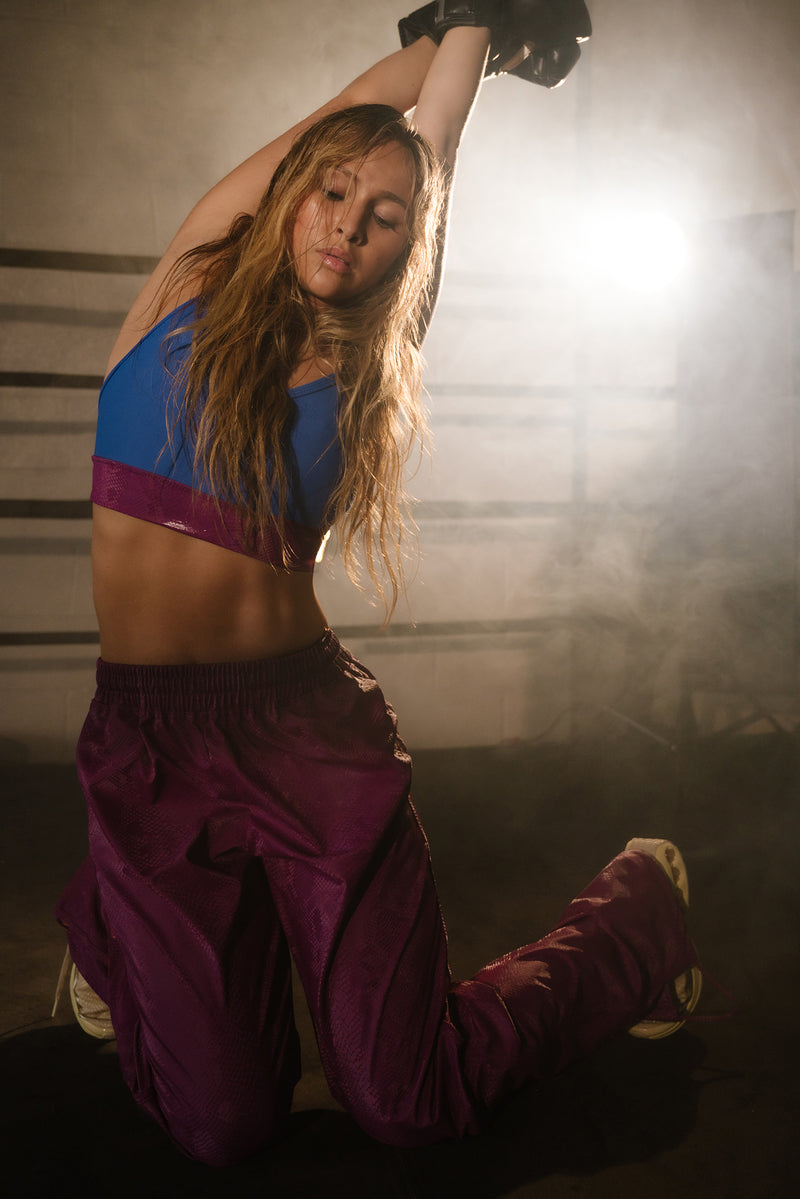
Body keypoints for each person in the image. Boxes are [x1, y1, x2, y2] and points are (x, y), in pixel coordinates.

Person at [53, 0, 701, 1169]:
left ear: (410, 243)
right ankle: (112, 930)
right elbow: (353, 114)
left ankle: (637, 913)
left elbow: (431, 142)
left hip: (301, 734)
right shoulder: (186, 280)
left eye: (385, 217)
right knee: (221, 1128)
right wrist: (461, 25)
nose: (349, 223)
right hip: (148, 742)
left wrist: (479, 38)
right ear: (295, 193)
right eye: (332, 193)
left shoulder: (362, 371)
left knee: (411, 1100)